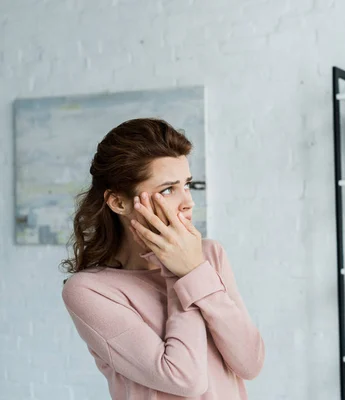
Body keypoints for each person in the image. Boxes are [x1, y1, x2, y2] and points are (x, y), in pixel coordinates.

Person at [61, 118, 264, 399]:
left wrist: (194, 269)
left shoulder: (209, 255)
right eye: (168, 189)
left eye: (187, 184)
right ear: (119, 202)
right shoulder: (89, 291)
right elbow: (185, 379)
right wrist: (179, 272)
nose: (188, 201)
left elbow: (250, 363)